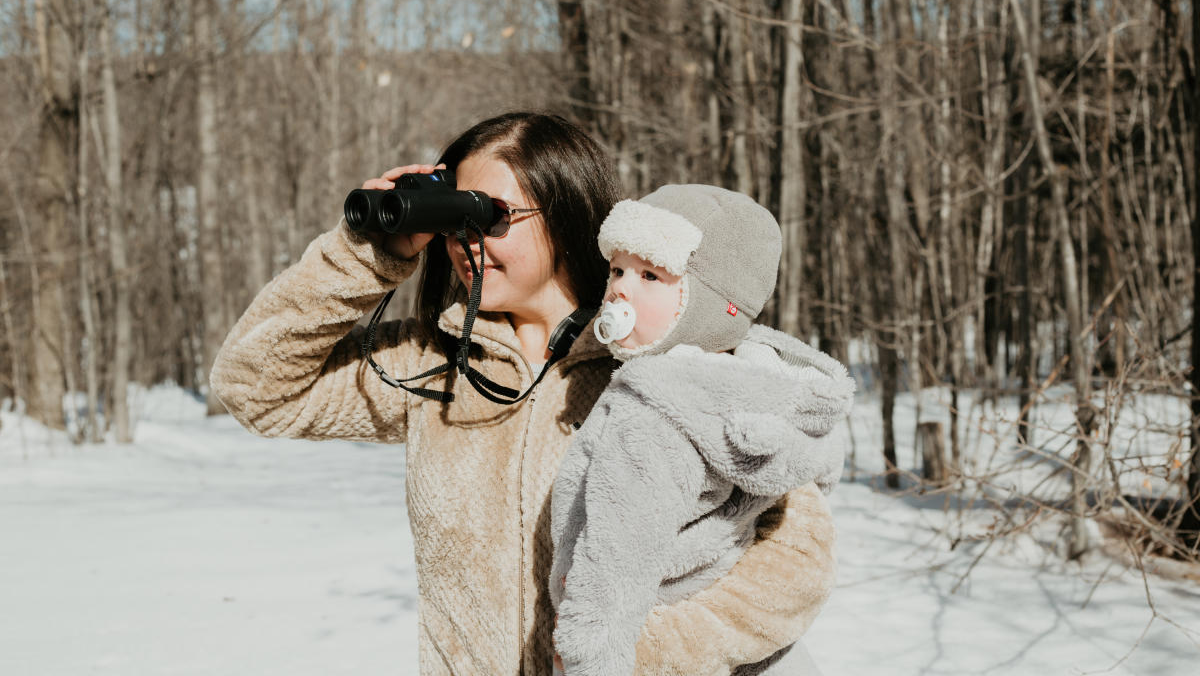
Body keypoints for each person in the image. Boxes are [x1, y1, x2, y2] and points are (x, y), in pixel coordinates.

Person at [209, 112, 839, 676]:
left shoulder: (670, 369)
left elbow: (795, 566)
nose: (465, 239)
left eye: (488, 215)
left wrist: (634, 656)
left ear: (566, 218)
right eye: (454, 218)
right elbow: (256, 389)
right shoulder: (432, 367)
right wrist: (363, 257)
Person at [549, 185, 855, 676]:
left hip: (652, 638)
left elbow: (618, 557)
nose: (620, 290)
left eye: (651, 275)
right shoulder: (759, 382)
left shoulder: (652, 411)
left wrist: (588, 657)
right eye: (617, 270)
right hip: (753, 652)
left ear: (715, 305)